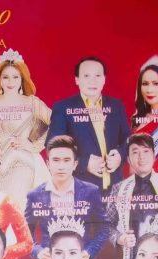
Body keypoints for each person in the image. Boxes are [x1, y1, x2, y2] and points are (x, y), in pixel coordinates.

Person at [0, 49, 52, 211]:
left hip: (22, 163)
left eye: (15, 77)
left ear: (22, 79)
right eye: (5, 77)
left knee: (14, 209)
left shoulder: (31, 102)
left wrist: (34, 145)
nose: (10, 82)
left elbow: (56, 122)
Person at [26, 135, 108, 259]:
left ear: (75, 164)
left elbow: (103, 228)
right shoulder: (35, 195)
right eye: (56, 160)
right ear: (48, 163)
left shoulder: (91, 191)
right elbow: (25, 231)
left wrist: (89, 252)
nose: (61, 166)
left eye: (66, 160)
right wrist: (37, 251)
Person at [48, 57, 131, 191]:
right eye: (86, 76)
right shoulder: (63, 108)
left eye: (97, 75)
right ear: (77, 80)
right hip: (80, 189)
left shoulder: (116, 105)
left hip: (116, 188)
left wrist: (121, 156)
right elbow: (52, 146)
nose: (93, 81)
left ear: (104, 79)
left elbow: (128, 139)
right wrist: (84, 163)